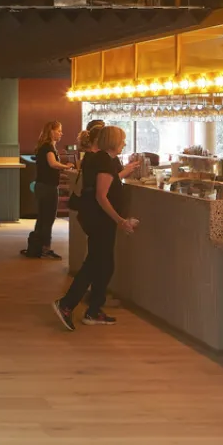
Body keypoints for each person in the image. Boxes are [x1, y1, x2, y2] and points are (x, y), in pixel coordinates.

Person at [53, 125, 143, 330]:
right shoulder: (104, 160)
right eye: (122, 140)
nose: (124, 144)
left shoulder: (101, 159)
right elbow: (101, 195)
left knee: (104, 263)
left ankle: (93, 310)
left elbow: (105, 183)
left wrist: (123, 172)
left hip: (96, 218)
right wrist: (120, 220)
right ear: (113, 141)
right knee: (95, 263)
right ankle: (67, 304)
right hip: (100, 219)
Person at [22, 120, 66, 259]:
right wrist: (67, 167)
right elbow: (52, 164)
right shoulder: (48, 147)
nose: (61, 133)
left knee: (42, 218)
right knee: (48, 218)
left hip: (42, 186)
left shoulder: (43, 147)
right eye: (58, 130)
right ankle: (46, 248)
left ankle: (37, 246)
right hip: (48, 187)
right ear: (51, 131)